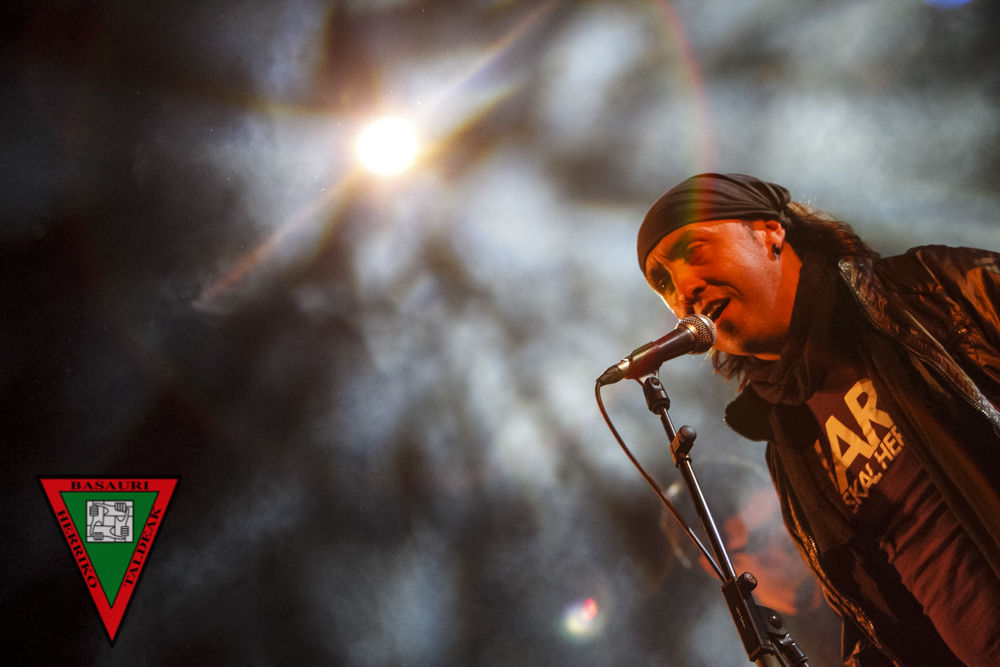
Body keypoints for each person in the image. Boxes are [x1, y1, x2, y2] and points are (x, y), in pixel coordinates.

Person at [635, 173, 1000, 666]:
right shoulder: (789, 444)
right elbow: (884, 616)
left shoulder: (933, 291)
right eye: (663, 282)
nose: (684, 289)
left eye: (694, 251)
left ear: (770, 232)